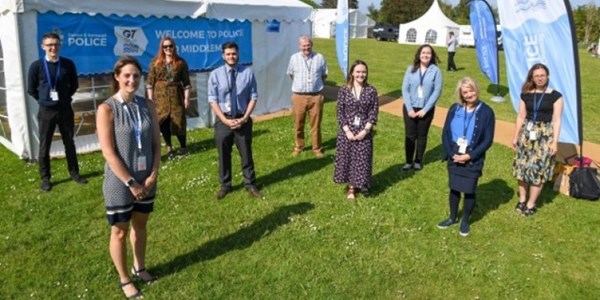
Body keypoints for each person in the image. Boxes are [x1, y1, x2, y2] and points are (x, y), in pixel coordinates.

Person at [97, 56, 161, 299]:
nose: (132, 80)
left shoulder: (148, 105)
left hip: (146, 179)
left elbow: (156, 143)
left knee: (141, 225)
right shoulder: (106, 109)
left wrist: (154, 172)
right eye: (126, 75)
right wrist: (131, 183)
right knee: (120, 231)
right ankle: (125, 279)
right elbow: (108, 152)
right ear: (117, 77)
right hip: (120, 183)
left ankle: (139, 267)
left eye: (135, 75)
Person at [27, 32, 88, 192]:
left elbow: (74, 85)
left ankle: (75, 173)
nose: (53, 47)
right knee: (44, 146)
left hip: (65, 110)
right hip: (46, 111)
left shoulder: (68, 64)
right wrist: (44, 101)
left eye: (55, 44)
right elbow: (31, 89)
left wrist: (64, 99)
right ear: (43, 47)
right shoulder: (36, 66)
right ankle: (45, 178)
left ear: (59, 45)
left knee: (69, 143)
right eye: (49, 45)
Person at [437, 77, 495, 236]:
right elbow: (446, 133)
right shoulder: (454, 108)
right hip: (454, 153)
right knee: (454, 188)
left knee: (469, 190)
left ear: (476, 89)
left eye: (471, 90)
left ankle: (465, 220)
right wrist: (451, 153)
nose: (469, 94)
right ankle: (452, 217)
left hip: (472, 156)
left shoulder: (487, 112)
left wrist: (469, 156)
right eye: (465, 92)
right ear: (461, 94)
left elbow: (487, 140)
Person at [208, 41, 261, 200]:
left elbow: (253, 96)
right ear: (223, 56)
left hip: (242, 119)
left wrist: (245, 118)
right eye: (228, 54)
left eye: (234, 53)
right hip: (224, 120)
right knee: (223, 154)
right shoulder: (215, 74)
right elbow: (213, 99)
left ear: (238, 55)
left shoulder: (247, 73)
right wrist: (224, 119)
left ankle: (250, 184)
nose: (231, 56)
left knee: (246, 153)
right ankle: (225, 185)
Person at [512, 63, 563, 217]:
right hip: (526, 133)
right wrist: (515, 137)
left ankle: (531, 203)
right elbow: (521, 116)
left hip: (544, 134)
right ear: (532, 78)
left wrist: (554, 142)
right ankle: (522, 200)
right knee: (522, 167)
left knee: (538, 169)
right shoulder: (525, 94)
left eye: (542, 75)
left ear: (547, 76)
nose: (540, 78)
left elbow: (557, 120)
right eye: (537, 76)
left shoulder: (556, 96)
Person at [333, 60, 379, 200]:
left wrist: (365, 131)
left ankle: (363, 183)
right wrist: (347, 130)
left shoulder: (371, 91)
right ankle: (351, 188)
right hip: (347, 131)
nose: (361, 74)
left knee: (363, 159)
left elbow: (374, 112)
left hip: (364, 130)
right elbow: (340, 111)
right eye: (358, 71)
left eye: (363, 72)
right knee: (349, 158)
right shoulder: (344, 90)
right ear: (352, 73)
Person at [146, 36, 192, 158]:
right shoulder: (155, 62)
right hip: (160, 97)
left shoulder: (181, 63)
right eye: (165, 46)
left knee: (179, 120)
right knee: (163, 122)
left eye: (170, 46)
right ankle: (169, 147)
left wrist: (187, 98)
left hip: (177, 95)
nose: (168, 48)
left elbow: (187, 83)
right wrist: (150, 99)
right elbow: (150, 83)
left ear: (174, 47)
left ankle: (183, 146)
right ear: (161, 48)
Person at [400, 44, 443, 171]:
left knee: (422, 136)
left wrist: (425, 109)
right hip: (410, 108)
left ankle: (418, 161)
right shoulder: (411, 69)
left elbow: (437, 91)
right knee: (410, 135)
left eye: (428, 53)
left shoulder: (435, 71)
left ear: (432, 56)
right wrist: (409, 109)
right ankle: (408, 161)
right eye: (423, 53)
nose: (425, 55)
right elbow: (405, 89)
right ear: (419, 55)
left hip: (426, 109)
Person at [287, 35, 329, 158]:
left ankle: (317, 148)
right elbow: (291, 74)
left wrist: (315, 85)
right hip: (298, 96)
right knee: (298, 124)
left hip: (316, 96)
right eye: (303, 45)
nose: (306, 47)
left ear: (312, 45)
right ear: (299, 46)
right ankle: (298, 147)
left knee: (316, 125)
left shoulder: (320, 57)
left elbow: (324, 75)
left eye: (308, 45)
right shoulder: (294, 58)